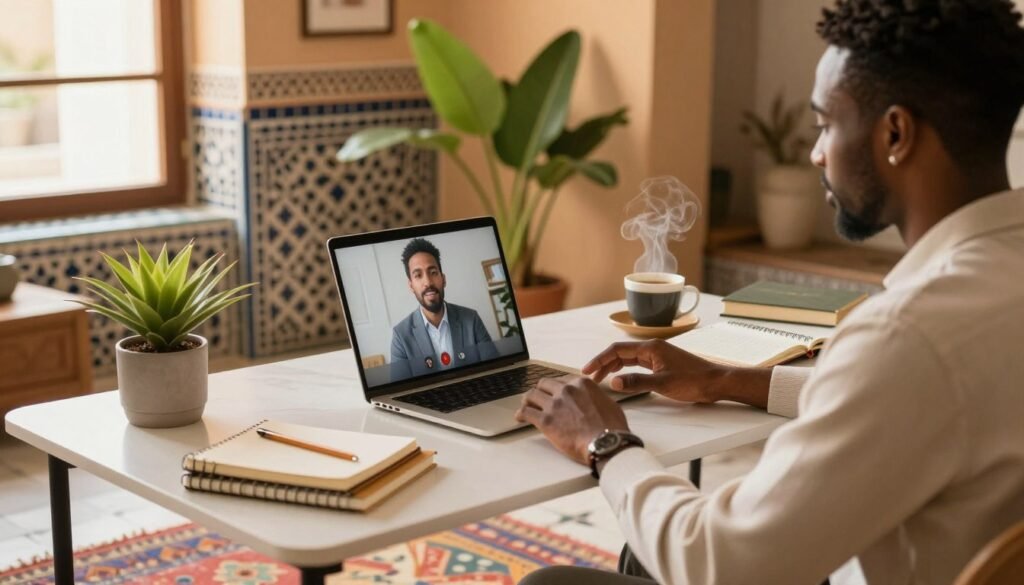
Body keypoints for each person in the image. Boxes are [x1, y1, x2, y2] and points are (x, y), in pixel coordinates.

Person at [516, 1, 1024, 583]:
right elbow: (912, 400)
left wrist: (605, 443)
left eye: (826, 124)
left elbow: (721, 563)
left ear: (895, 133)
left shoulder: (908, 335)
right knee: (642, 548)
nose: (815, 153)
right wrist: (726, 379)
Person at [391, 238, 496, 373]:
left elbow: (494, 368)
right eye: (418, 275)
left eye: (433, 272)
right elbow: (400, 391)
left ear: (443, 279)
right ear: (411, 286)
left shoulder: (472, 319)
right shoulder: (400, 336)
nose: (428, 282)